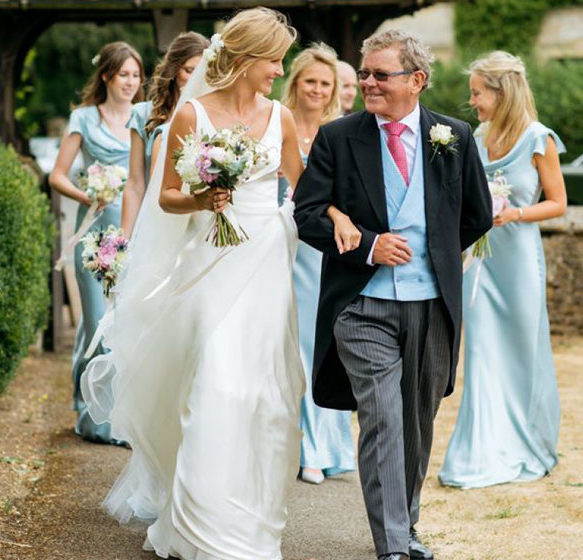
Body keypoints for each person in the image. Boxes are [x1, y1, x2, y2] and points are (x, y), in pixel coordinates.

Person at [79, 8, 359, 559]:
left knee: (264, 396)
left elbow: (305, 192)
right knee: (214, 384)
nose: (279, 71)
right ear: (248, 59)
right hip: (210, 258)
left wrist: (341, 218)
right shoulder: (193, 117)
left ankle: (251, 522)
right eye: (274, 60)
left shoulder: (279, 117)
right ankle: (197, 525)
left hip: (266, 262)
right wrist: (205, 199)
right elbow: (166, 198)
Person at [294, 30, 492, 560]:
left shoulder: (455, 136)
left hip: (431, 306)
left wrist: (439, 258)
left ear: (417, 80)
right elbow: (307, 215)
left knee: (416, 424)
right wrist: (368, 248)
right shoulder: (339, 137)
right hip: (361, 306)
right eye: (364, 73)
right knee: (382, 416)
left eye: (381, 74)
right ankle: (392, 547)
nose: (367, 83)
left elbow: (477, 214)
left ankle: (405, 527)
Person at [438, 51, 565, 489]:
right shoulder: (476, 136)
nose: (472, 101)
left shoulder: (538, 138)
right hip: (481, 261)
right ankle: (480, 449)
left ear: (500, 91)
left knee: (523, 349)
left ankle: (529, 442)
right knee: (483, 352)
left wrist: (517, 215)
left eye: (477, 93)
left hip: (519, 262)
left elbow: (558, 202)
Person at [49, 41, 143, 444]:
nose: (131, 82)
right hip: (97, 238)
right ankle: (90, 414)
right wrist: (90, 195)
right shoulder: (83, 119)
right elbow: (58, 175)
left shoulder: (144, 116)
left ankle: (120, 416)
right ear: (106, 75)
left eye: (136, 75)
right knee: (95, 323)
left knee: (126, 326)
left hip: (135, 236)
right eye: (124, 74)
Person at [279, 43, 356, 485]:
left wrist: (336, 216)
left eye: (325, 84)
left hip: (314, 252)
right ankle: (279, 444)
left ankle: (318, 449)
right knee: (274, 343)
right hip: (271, 244)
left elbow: (340, 197)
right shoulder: (276, 122)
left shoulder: (339, 132)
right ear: (297, 81)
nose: (317, 89)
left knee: (314, 344)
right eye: (310, 80)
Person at [121, 32, 209, 238]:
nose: (196, 78)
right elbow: (135, 185)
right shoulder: (143, 115)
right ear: (174, 70)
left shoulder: (212, 116)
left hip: (198, 225)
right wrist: (123, 240)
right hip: (155, 220)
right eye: (189, 71)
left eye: (202, 71)